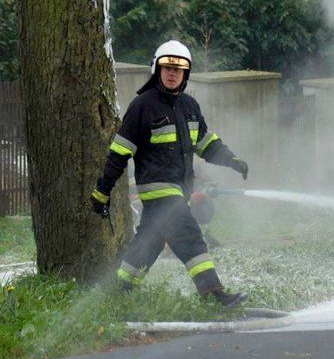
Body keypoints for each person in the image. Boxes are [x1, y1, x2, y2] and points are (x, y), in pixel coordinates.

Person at [89, 40, 249, 307]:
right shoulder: (142, 106)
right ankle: (213, 294)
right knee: (189, 234)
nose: (173, 74)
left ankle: (119, 293)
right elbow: (119, 153)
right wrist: (102, 190)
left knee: (149, 243)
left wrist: (231, 160)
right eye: (167, 68)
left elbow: (206, 144)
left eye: (178, 70)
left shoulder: (190, 106)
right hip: (159, 190)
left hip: (180, 191)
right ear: (157, 70)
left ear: (185, 74)